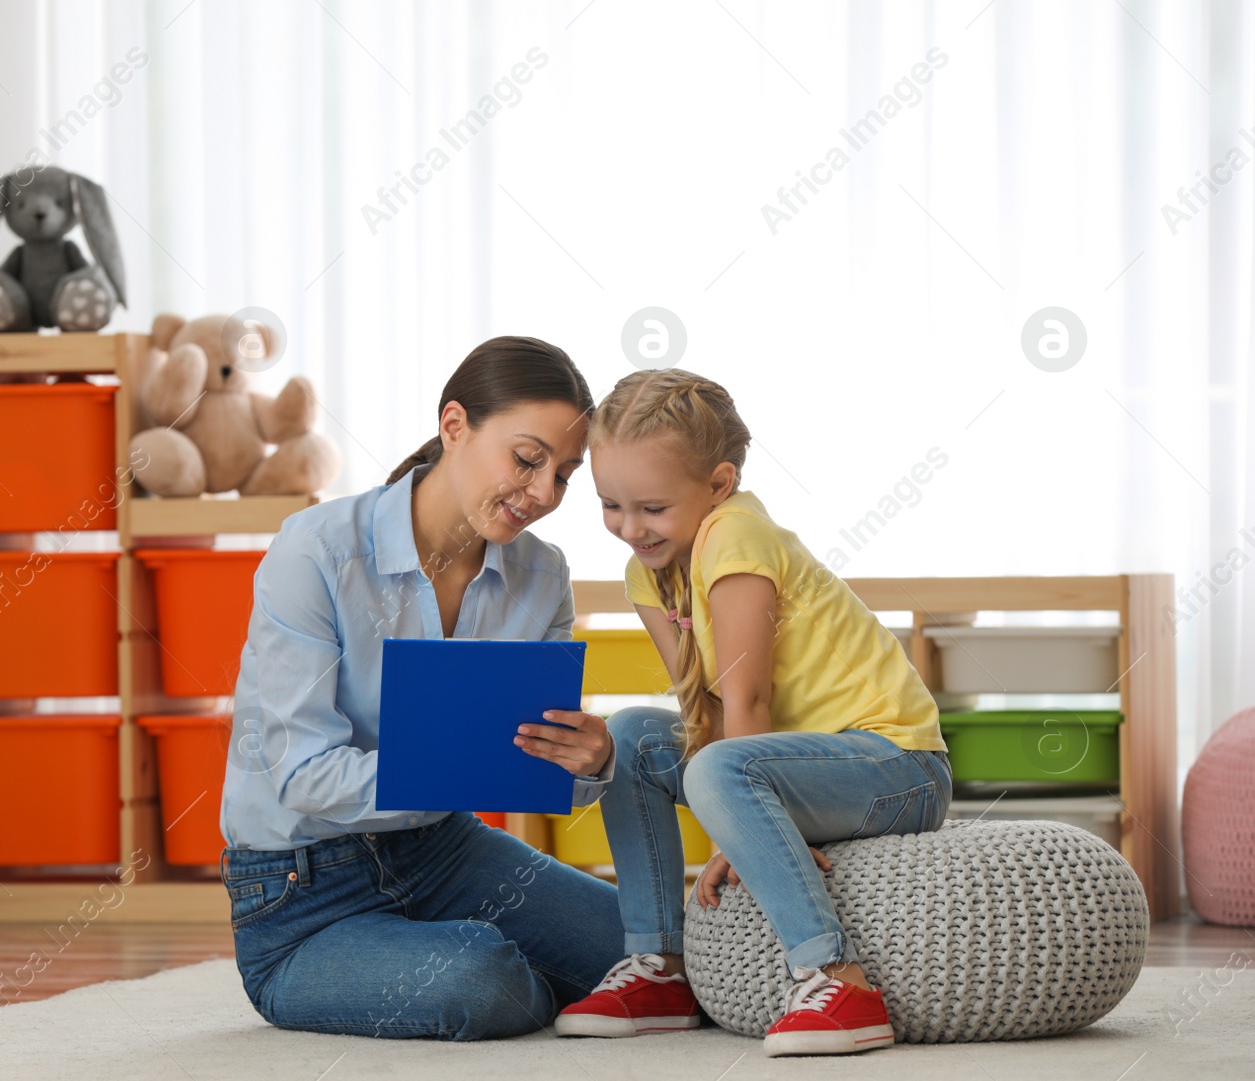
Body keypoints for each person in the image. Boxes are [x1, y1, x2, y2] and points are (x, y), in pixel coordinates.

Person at [219, 336, 625, 1040]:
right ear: (454, 425)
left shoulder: (543, 574)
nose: (543, 493)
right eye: (528, 459)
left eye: (564, 474)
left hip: (442, 851)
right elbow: (302, 775)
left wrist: (589, 762)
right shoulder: (315, 551)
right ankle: (462, 957)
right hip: (300, 891)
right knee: (484, 979)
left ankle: (473, 949)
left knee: (642, 946)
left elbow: (537, 765)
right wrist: (462, 769)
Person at [554, 368, 952, 1057]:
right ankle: (662, 969)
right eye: (610, 504)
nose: (629, 527)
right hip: (785, 768)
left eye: (651, 506)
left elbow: (746, 698)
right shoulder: (645, 573)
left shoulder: (735, 534)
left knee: (716, 768)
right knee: (632, 736)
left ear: (718, 484)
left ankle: (837, 978)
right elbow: (698, 704)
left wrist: (729, 838)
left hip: (895, 766)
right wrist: (739, 811)